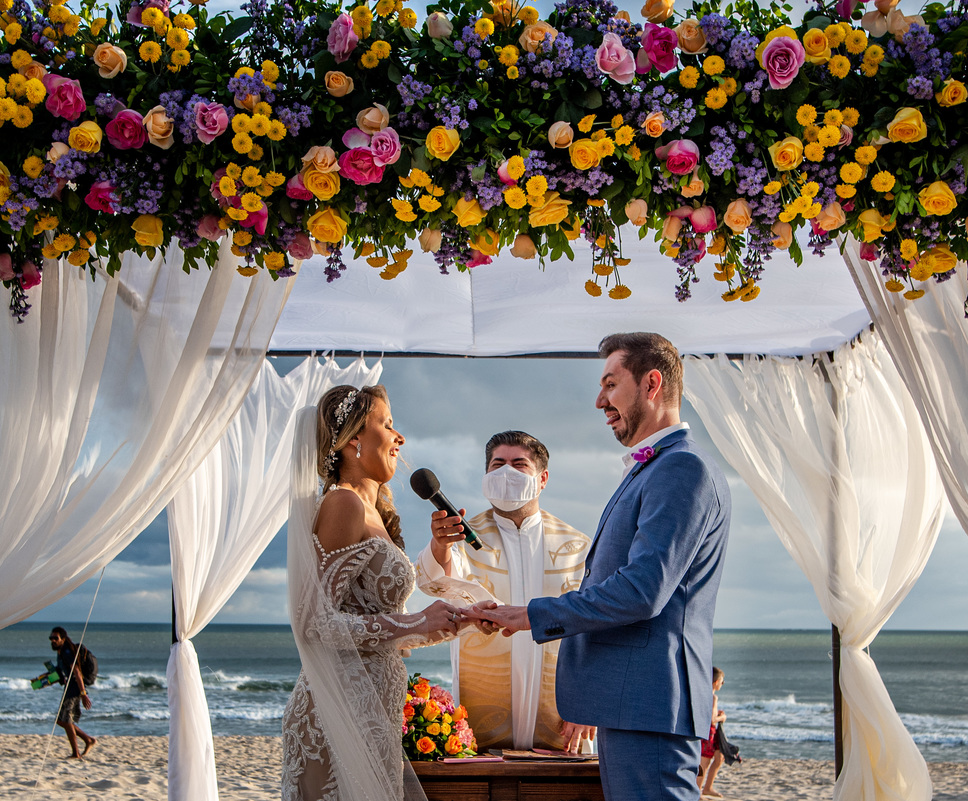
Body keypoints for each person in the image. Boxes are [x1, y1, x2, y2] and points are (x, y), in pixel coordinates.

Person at [467, 332, 732, 801]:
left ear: (652, 384)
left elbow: (641, 591)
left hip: (649, 707)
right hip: (632, 706)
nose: (599, 401)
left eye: (611, 385)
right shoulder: (654, 468)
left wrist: (532, 614)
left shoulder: (680, 469)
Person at [281, 384, 464, 801]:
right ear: (354, 440)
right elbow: (313, 622)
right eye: (388, 424)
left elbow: (375, 618)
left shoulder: (375, 510)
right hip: (335, 712)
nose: (400, 438)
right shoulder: (342, 504)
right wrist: (418, 621)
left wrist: (459, 617)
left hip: (371, 707)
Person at [415, 430, 596, 753]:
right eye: (497, 465)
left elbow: (594, 626)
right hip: (483, 711)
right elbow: (435, 582)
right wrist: (440, 545)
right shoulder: (464, 538)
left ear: (542, 479)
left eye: (518, 464)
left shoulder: (577, 546)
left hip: (561, 715)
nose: (505, 473)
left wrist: (589, 703)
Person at [48, 626, 96, 759]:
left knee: (67, 720)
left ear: (63, 639)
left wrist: (83, 693)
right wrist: (43, 680)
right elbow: (61, 672)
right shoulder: (60, 652)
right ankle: (88, 740)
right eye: (51, 638)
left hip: (74, 688)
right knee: (60, 720)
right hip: (69, 687)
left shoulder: (67, 652)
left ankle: (76, 753)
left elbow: (77, 672)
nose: (53, 640)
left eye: (55, 638)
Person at [698, 667, 727, 798]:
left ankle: (708, 787)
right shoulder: (712, 697)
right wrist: (722, 717)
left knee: (719, 757)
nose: (723, 684)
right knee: (705, 762)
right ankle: (698, 791)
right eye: (722, 681)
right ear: (716, 682)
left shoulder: (703, 694)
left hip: (712, 732)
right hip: (708, 731)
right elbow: (712, 719)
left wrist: (717, 713)